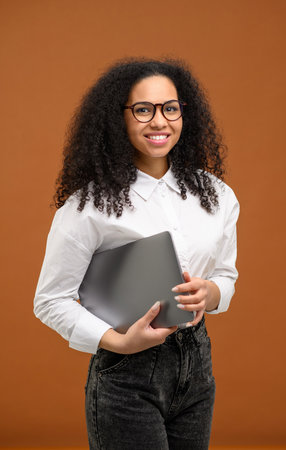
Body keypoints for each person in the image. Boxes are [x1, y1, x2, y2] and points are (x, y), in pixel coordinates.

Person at [34, 58, 239, 450]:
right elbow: (50, 301)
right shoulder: (87, 207)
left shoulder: (218, 197)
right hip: (126, 372)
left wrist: (212, 294)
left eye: (170, 108)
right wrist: (117, 341)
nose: (159, 122)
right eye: (143, 110)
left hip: (197, 366)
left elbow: (226, 275)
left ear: (184, 114)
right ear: (119, 119)